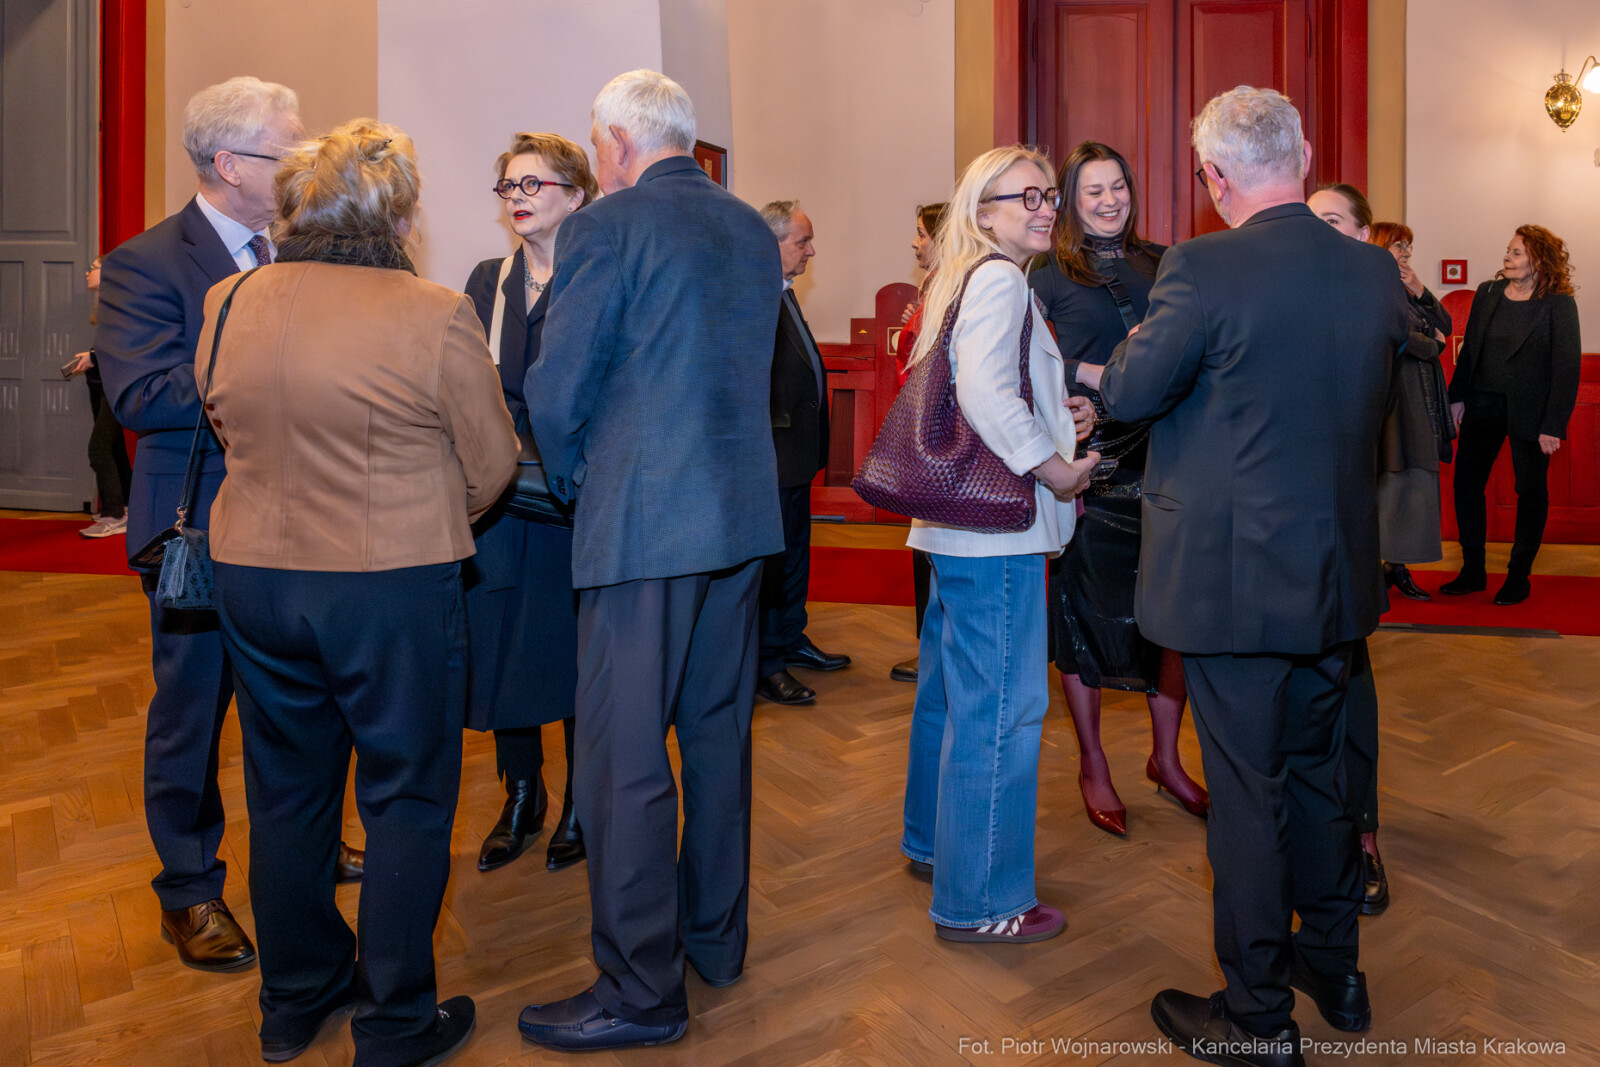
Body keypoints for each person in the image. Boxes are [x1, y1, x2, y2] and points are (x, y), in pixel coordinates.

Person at [1101, 87, 1409, 1066]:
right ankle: (1337, 970)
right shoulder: (1371, 273)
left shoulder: (1201, 265)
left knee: (1247, 792)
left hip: (1231, 583)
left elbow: (1132, 392)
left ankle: (1256, 1013)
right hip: (1333, 574)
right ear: (1306, 152)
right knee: (1321, 777)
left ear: (1214, 177)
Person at [203, 119, 518, 1066]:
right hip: (389, 587)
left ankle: (293, 1000)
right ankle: (393, 1023)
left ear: (299, 205)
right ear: (401, 212)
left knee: (287, 793)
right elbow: (493, 460)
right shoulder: (431, 311)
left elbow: (221, 417)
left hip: (254, 578)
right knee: (407, 799)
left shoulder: (229, 297)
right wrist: (424, 513)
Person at [517, 70, 784, 1052]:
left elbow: (557, 388)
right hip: (739, 521)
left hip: (643, 524)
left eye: (597, 144)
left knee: (624, 761)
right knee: (716, 742)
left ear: (620, 143)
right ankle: (714, 940)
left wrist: (587, 479)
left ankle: (639, 989)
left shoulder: (606, 226)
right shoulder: (752, 228)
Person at [96, 76, 364, 976]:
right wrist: (270, 372)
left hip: (300, 522)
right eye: (287, 150)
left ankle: (307, 849)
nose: (301, 165)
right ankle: (189, 889)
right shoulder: (146, 262)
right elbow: (140, 394)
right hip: (196, 536)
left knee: (298, 708)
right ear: (228, 164)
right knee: (192, 716)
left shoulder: (298, 249)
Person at [899, 145, 1098, 945]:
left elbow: (983, 385)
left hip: (956, 528)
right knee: (1005, 712)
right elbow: (983, 392)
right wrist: (1057, 468)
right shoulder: (999, 279)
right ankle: (982, 898)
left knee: (947, 695)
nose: (1047, 208)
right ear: (983, 210)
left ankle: (932, 844)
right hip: (998, 531)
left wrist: (1060, 412)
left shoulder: (962, 274)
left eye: (1050, 195)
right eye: (1026, 197)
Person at [1030, 141, 1207, 838]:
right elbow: (1029, 362)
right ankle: (1093, 762)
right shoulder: (1045, 271)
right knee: (1086, 615)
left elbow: (1194, 353)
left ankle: (1166, 758)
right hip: (1094, 460)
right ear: (1072, 198)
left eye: (1118, 188)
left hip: (1168, 454)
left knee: (1171, 618)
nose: (1108, 201)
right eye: (1093, 190)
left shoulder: (1166, 263)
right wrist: (1089, 380)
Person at [1306, 189, 1457, 918]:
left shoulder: (1380, 294)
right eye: (1312, 220)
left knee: (1348, 678)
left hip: (1357, 514)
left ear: (1364, 235)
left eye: (1335, 220)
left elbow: (1430, 334)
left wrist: (1397, 285)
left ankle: (1361, 838)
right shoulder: (1284, 287)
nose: (1320, 231)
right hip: (1284, 520)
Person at [462, 133, 596, 873]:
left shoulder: (596, 277)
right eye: (509, 186)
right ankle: (522, 794)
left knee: (574, 651)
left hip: (575, 498)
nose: (518, 196)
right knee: (502, 650)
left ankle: (581, 797)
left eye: (535, 184)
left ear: (575, 196)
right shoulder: (489, 280)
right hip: (501, 498)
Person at [1443, 224, 1581, 606]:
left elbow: (1566, 367)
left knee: (1530, 492)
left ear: (1539, 260)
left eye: (1517, 252)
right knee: (1467, 485)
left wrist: (1554, 423)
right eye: (1508, 250)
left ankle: (1519, 576)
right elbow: (1470, 349)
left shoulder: (1558, 303)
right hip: (1482, 403)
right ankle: (1472, 571)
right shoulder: (1488, 292)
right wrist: (1457, 398)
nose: (1507, 257)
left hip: (1531, 412)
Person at [755, 199, 851, 706]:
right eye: (802, 241)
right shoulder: (752, 294)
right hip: (772, 455)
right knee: (774, 563)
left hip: (795, 454)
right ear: (771, 242)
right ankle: (768, 663)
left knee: (795, 557)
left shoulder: (783, 292)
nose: (811, 250)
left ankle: (791, 638)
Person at [890, 202, 946, 684]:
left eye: (921, 234)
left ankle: (934, 647)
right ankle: (930, 644)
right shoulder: (935, 288)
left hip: (933, 441)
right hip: (921, 436)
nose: (915, 242)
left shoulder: (949, 289)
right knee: (923, 546)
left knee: (931, 547)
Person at [65, 257, 133, 539]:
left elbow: (126, 343)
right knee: (114, 447)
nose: (87, 272)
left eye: (93, 267)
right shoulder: (106, 303)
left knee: (99, 449)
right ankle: (126, 507)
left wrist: (92, 357)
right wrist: (91, 356)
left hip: (115, 383)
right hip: (100, 382)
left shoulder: (121, 303)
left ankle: (114, 515)